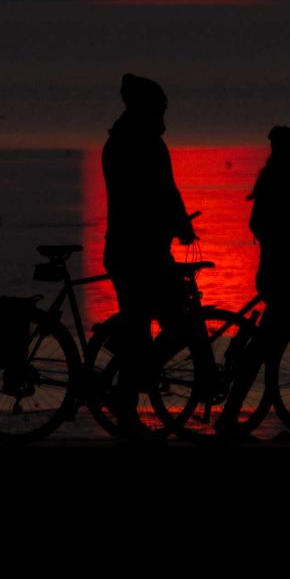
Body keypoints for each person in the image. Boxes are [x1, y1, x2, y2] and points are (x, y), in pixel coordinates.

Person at [100, 72, 213, 435]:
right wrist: (182, 226)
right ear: (147, 109)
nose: (164, 118)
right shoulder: (143, 144)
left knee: (141, 328)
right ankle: (126, 397)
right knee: (179, 326)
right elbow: (163, 191)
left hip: (128, 250)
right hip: (141, 253)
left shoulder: (118, 141)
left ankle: (129, 390)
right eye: (160, 110)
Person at [221, 124, 290, 432]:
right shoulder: (289, 180)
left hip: (277, 276)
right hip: (283, 279)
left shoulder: (275, 179)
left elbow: (264, 225)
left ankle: (228, 417)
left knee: (267, 351)